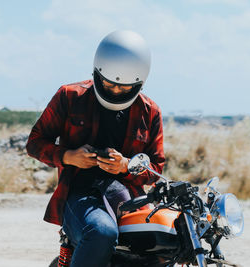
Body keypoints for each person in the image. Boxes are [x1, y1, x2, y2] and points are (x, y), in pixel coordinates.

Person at [26, 30, 165, 267]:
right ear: (97, 72)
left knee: (165, 236)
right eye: (109, 84)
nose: (116, 91)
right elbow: (35, 143)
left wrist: (125, 166)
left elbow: (156, 168)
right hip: (79, 193)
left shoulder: (150, 111)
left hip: (128, 198)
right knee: (102, 232)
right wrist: (69, 156)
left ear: (140, 83)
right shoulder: (69, 96)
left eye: (125, 88)